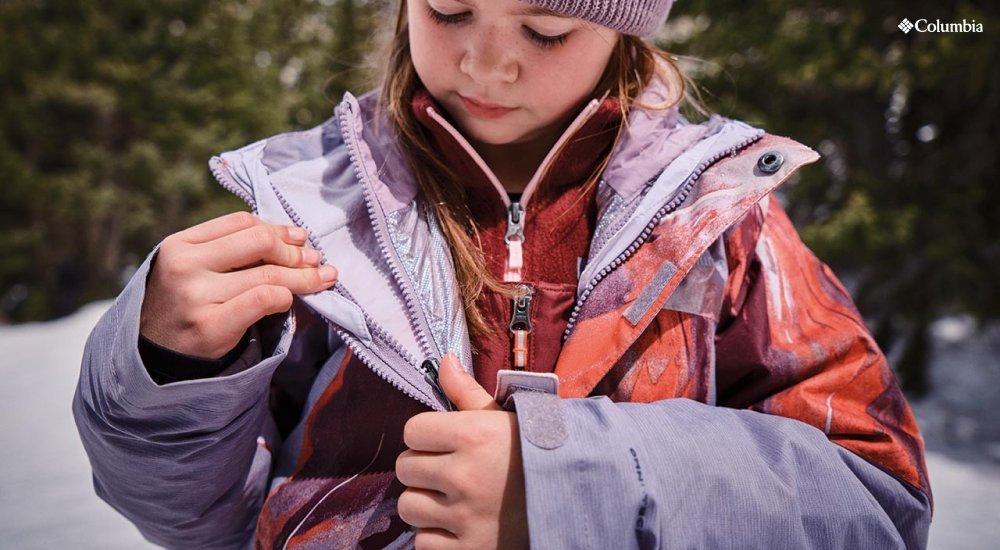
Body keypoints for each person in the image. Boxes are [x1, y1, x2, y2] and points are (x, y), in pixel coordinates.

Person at [72, 0, 933, 548]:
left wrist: (572, 492)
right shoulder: (313, 211)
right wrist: (170, 370)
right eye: (449, 10)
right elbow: (200, 520)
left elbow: (875, 503)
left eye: (546, 28)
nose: (487, 64)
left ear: (624, 29)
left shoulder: (720, 225)